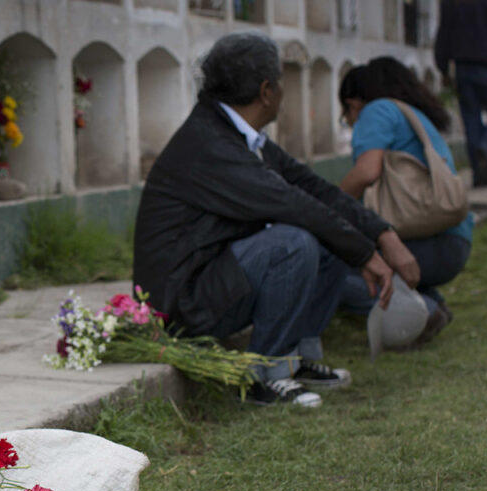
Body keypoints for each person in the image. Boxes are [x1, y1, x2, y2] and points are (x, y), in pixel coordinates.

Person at [133, 32, 415, 408]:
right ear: (267, 91)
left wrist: (382, 235)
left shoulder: (239, 135)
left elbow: (316, 190)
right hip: (183, 301)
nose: (284, 90)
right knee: (292, 242)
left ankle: (299, 360)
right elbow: (293, 204)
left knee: (324, 237)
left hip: (212, 278)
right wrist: (365, 255)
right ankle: (266, 375)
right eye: (281, 81)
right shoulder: (210, 144)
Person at [338, 58, 474, 348]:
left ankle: (424, 312)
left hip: (428, 244)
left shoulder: (376, 110)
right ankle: (433, 304)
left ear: (353, 104)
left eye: (346, 114)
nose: (349, 123)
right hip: (453, 240)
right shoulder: (413, 114)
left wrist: (327, 206)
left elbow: (367, 171)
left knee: (331, 269)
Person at [434, 0, 487, 188]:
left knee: (471, 118)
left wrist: (443, 67)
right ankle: (486, 146)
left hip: (463, 66)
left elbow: (444, 31)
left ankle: (479, 174)